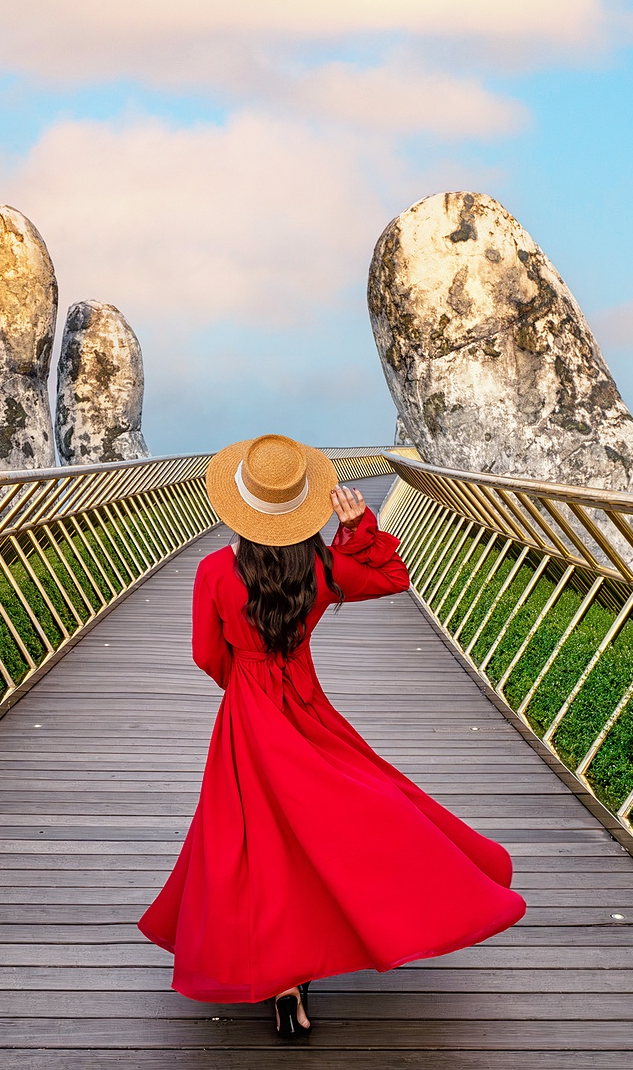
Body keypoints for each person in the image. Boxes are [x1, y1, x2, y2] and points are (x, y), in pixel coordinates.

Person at [138, 434, 527, 1039]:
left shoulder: (213, 571)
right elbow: (392, 577)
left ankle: (282, 980)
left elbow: (204, 653)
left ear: (240, 504)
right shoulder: (321, 567)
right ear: (301, 506)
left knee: (251, 836)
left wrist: (244, 681)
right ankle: (336, 941)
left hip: (248, 708)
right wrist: (357, 528)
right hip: (306, 702)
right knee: (343, 811)